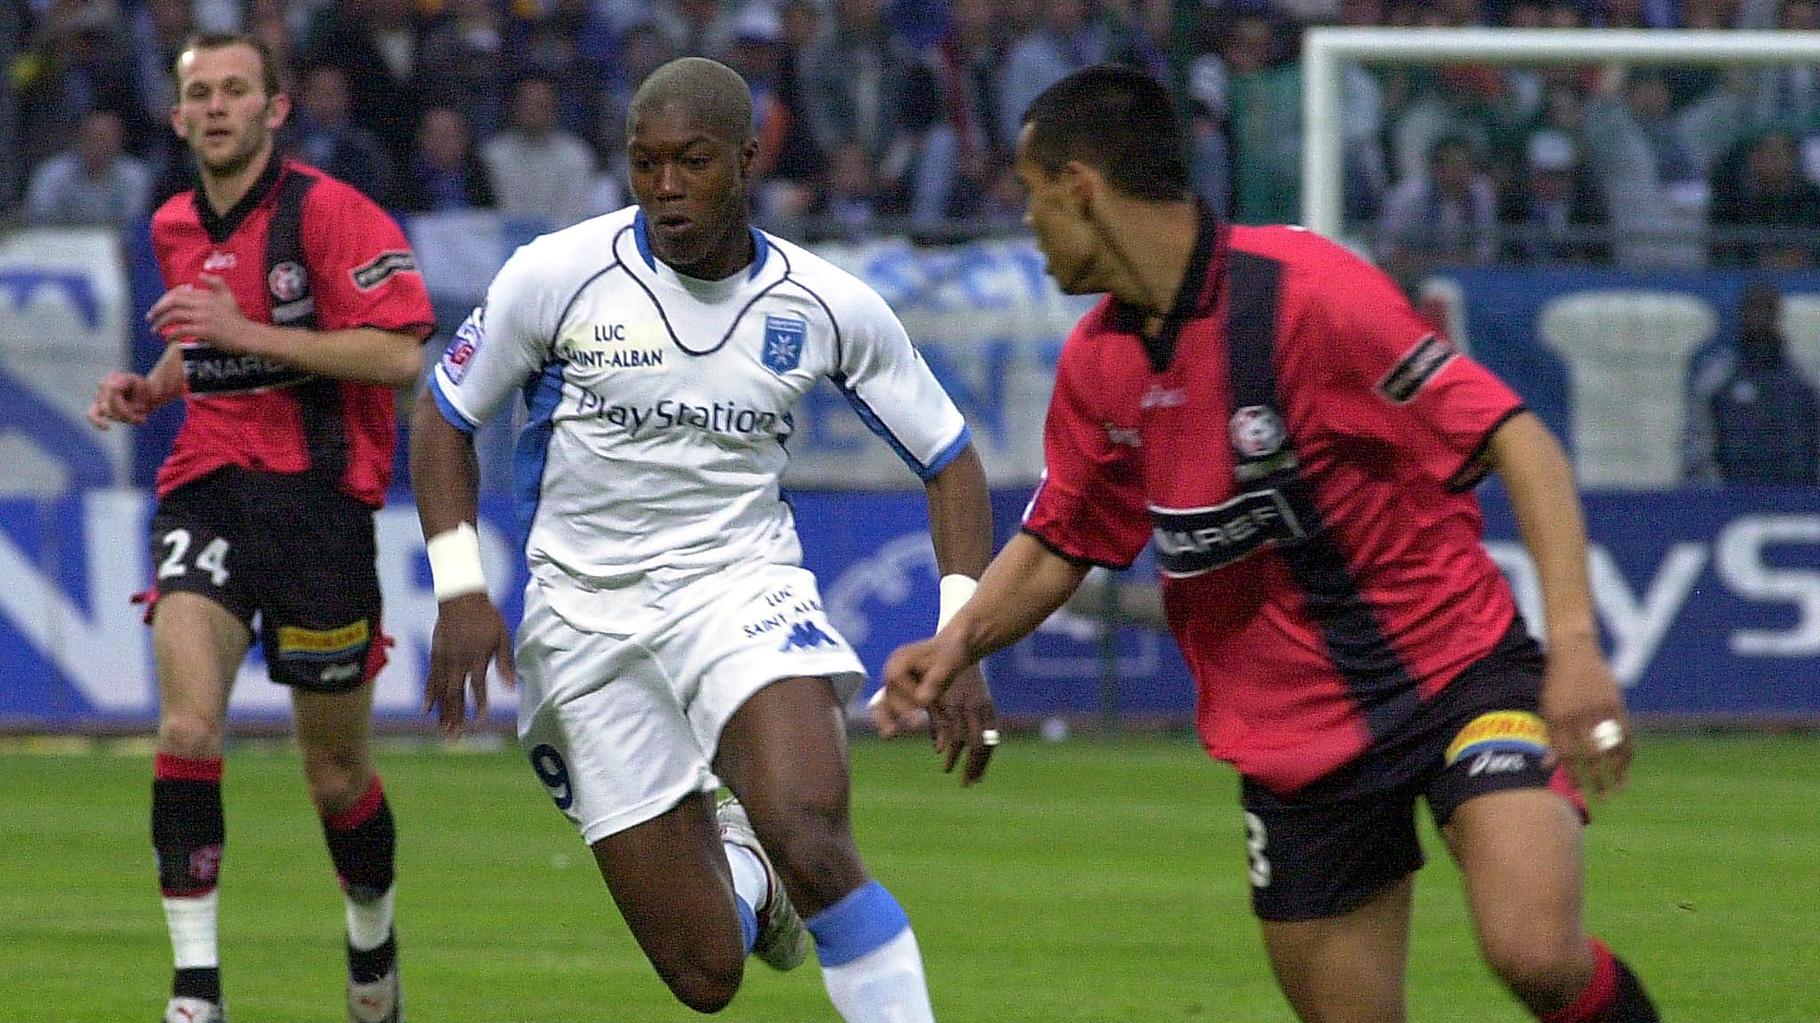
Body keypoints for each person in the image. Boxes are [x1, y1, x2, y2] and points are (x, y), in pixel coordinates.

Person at [876, 66, 1662, 1023]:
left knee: (1534, 952)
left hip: (1455, 676)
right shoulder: (1099, 362)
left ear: (1080, 188)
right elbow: (1062, 539)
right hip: (1295, 749)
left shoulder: (1309, 294)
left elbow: (1519, 440)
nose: (1030, 228)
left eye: (1034, 197)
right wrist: (955, 647)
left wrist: (1576, 649)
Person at [409, 57, 998, 1022]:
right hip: (581, 620)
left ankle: (784, 864)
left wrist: (962, 630)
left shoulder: (825, 304)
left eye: (693, 163)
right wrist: (461, 584)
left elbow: (951, 460)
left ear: (748, 159)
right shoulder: (557, 276)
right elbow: (443, 418)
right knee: (707, 975)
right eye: (646, 165)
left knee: (810, 829)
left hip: (740, 589)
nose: (668, 190)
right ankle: (749, 883)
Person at [84, 32, 432, 1023]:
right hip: (208, 487)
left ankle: (372, 936)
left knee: (336, 775)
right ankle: (196, 991)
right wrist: (150, 389)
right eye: (203, 93)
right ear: (181, 114)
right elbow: (203, 348)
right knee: (189, 724)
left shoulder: (331, 213)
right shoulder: (170, 225)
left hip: (321, 507)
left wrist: (247, 334)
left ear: (275, 110)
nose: (220, 106)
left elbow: (400, 359)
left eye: (239, 90)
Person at [1684, 282, 1820, 484]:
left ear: (1777, 314)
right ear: (1741, 314)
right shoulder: (1717, 377)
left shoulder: (1806, 377)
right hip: (1733, 495)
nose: (1759, 316)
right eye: (1753, 308)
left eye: (1767, 308)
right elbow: (1696, 435)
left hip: (1798, 496)